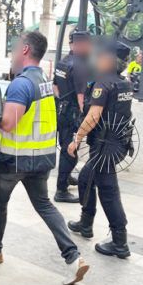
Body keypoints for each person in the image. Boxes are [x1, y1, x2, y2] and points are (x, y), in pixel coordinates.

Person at [0, 31, 89, 285]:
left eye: (14, 48)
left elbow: (8, 123)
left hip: (13, 160)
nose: (12, 53)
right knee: (44, 205)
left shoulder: (21, 84)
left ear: (25, 50)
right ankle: (73, 256)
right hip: (41, 159)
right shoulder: (44, 80)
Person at [67, 38, 134, 259]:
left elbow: (93, 116)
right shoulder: (124, 83)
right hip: (117, 144)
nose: (97, 59)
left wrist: (77, 139)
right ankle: (86, 223)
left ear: (110, 60)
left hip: (105, 146)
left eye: (101, 56)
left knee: (108, 192)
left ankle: (120, 242)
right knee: (86, 178)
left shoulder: (103, 84)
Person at [53, 29, 91, 203]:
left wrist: (63, 101)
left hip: (61, 110)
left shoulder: (63, 62)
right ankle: (61, 190)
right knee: (71, 151)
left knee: (65, 146)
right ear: (82, 45)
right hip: (73, 113)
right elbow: (81, 98)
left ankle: (66, 177)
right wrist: (84, 118)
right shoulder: (80, 66)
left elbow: (55, 87)